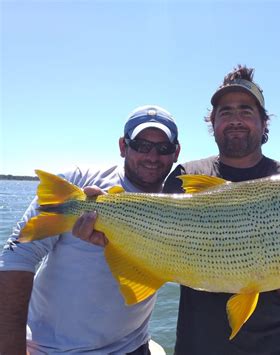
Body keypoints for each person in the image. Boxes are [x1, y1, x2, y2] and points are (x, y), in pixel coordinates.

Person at [163, 65, 280, 354]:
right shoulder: (185, 177)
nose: (236, 120)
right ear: (213, 123)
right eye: (226, 112)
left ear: (263, 123)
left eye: (246, 111)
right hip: (202, 344)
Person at [0, 105, 181, 354]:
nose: (152, 156)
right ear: (122, 146)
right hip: (51, 349)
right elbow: (16, 256)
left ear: (176, 152)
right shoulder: (77, 183)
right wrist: (11, 347)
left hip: (133, 347)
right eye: (141, 145)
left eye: (163, 148)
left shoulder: (178, 202)